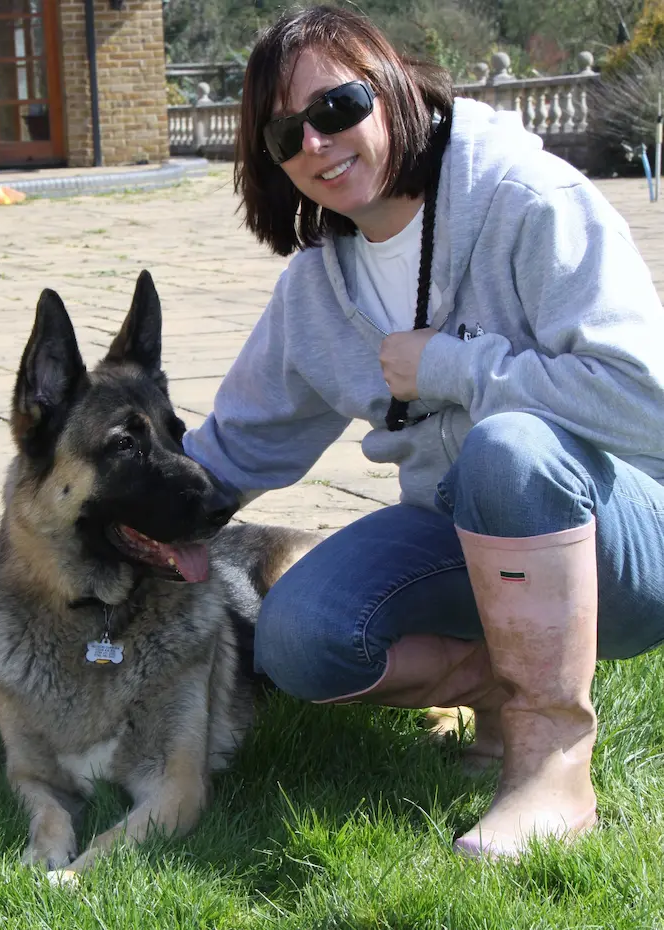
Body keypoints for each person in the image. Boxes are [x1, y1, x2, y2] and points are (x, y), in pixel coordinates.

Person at [182, 4, 664, 859]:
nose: (317, 144)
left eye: (337, 107)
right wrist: (124, 516)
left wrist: (454, 366)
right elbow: (236, 448)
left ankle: (551, 759)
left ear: (394, 85)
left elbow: (645, 400)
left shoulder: (530, 201)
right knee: (295, 636)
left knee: (508, 448)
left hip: (623, 540)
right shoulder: (319, 286)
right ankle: (502, 681)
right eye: (286, 135)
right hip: (467, 535)